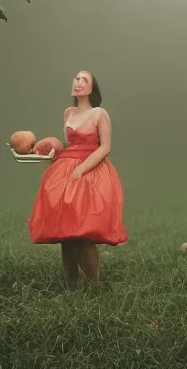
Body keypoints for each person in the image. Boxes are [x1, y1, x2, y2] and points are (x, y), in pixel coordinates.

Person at [28, 71, 128, 291]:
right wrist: (47, 152)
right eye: (76, 78)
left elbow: (105, 147)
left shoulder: (99, 113)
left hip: (91, 173)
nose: (79, 82)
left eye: (85, 79)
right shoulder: (69, 113)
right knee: (67, 233)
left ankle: (94, 287)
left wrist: (82, 168)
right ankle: (71, 287)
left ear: (92, 88)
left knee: (83, 233)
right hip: (65, 171)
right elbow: (68, 145)